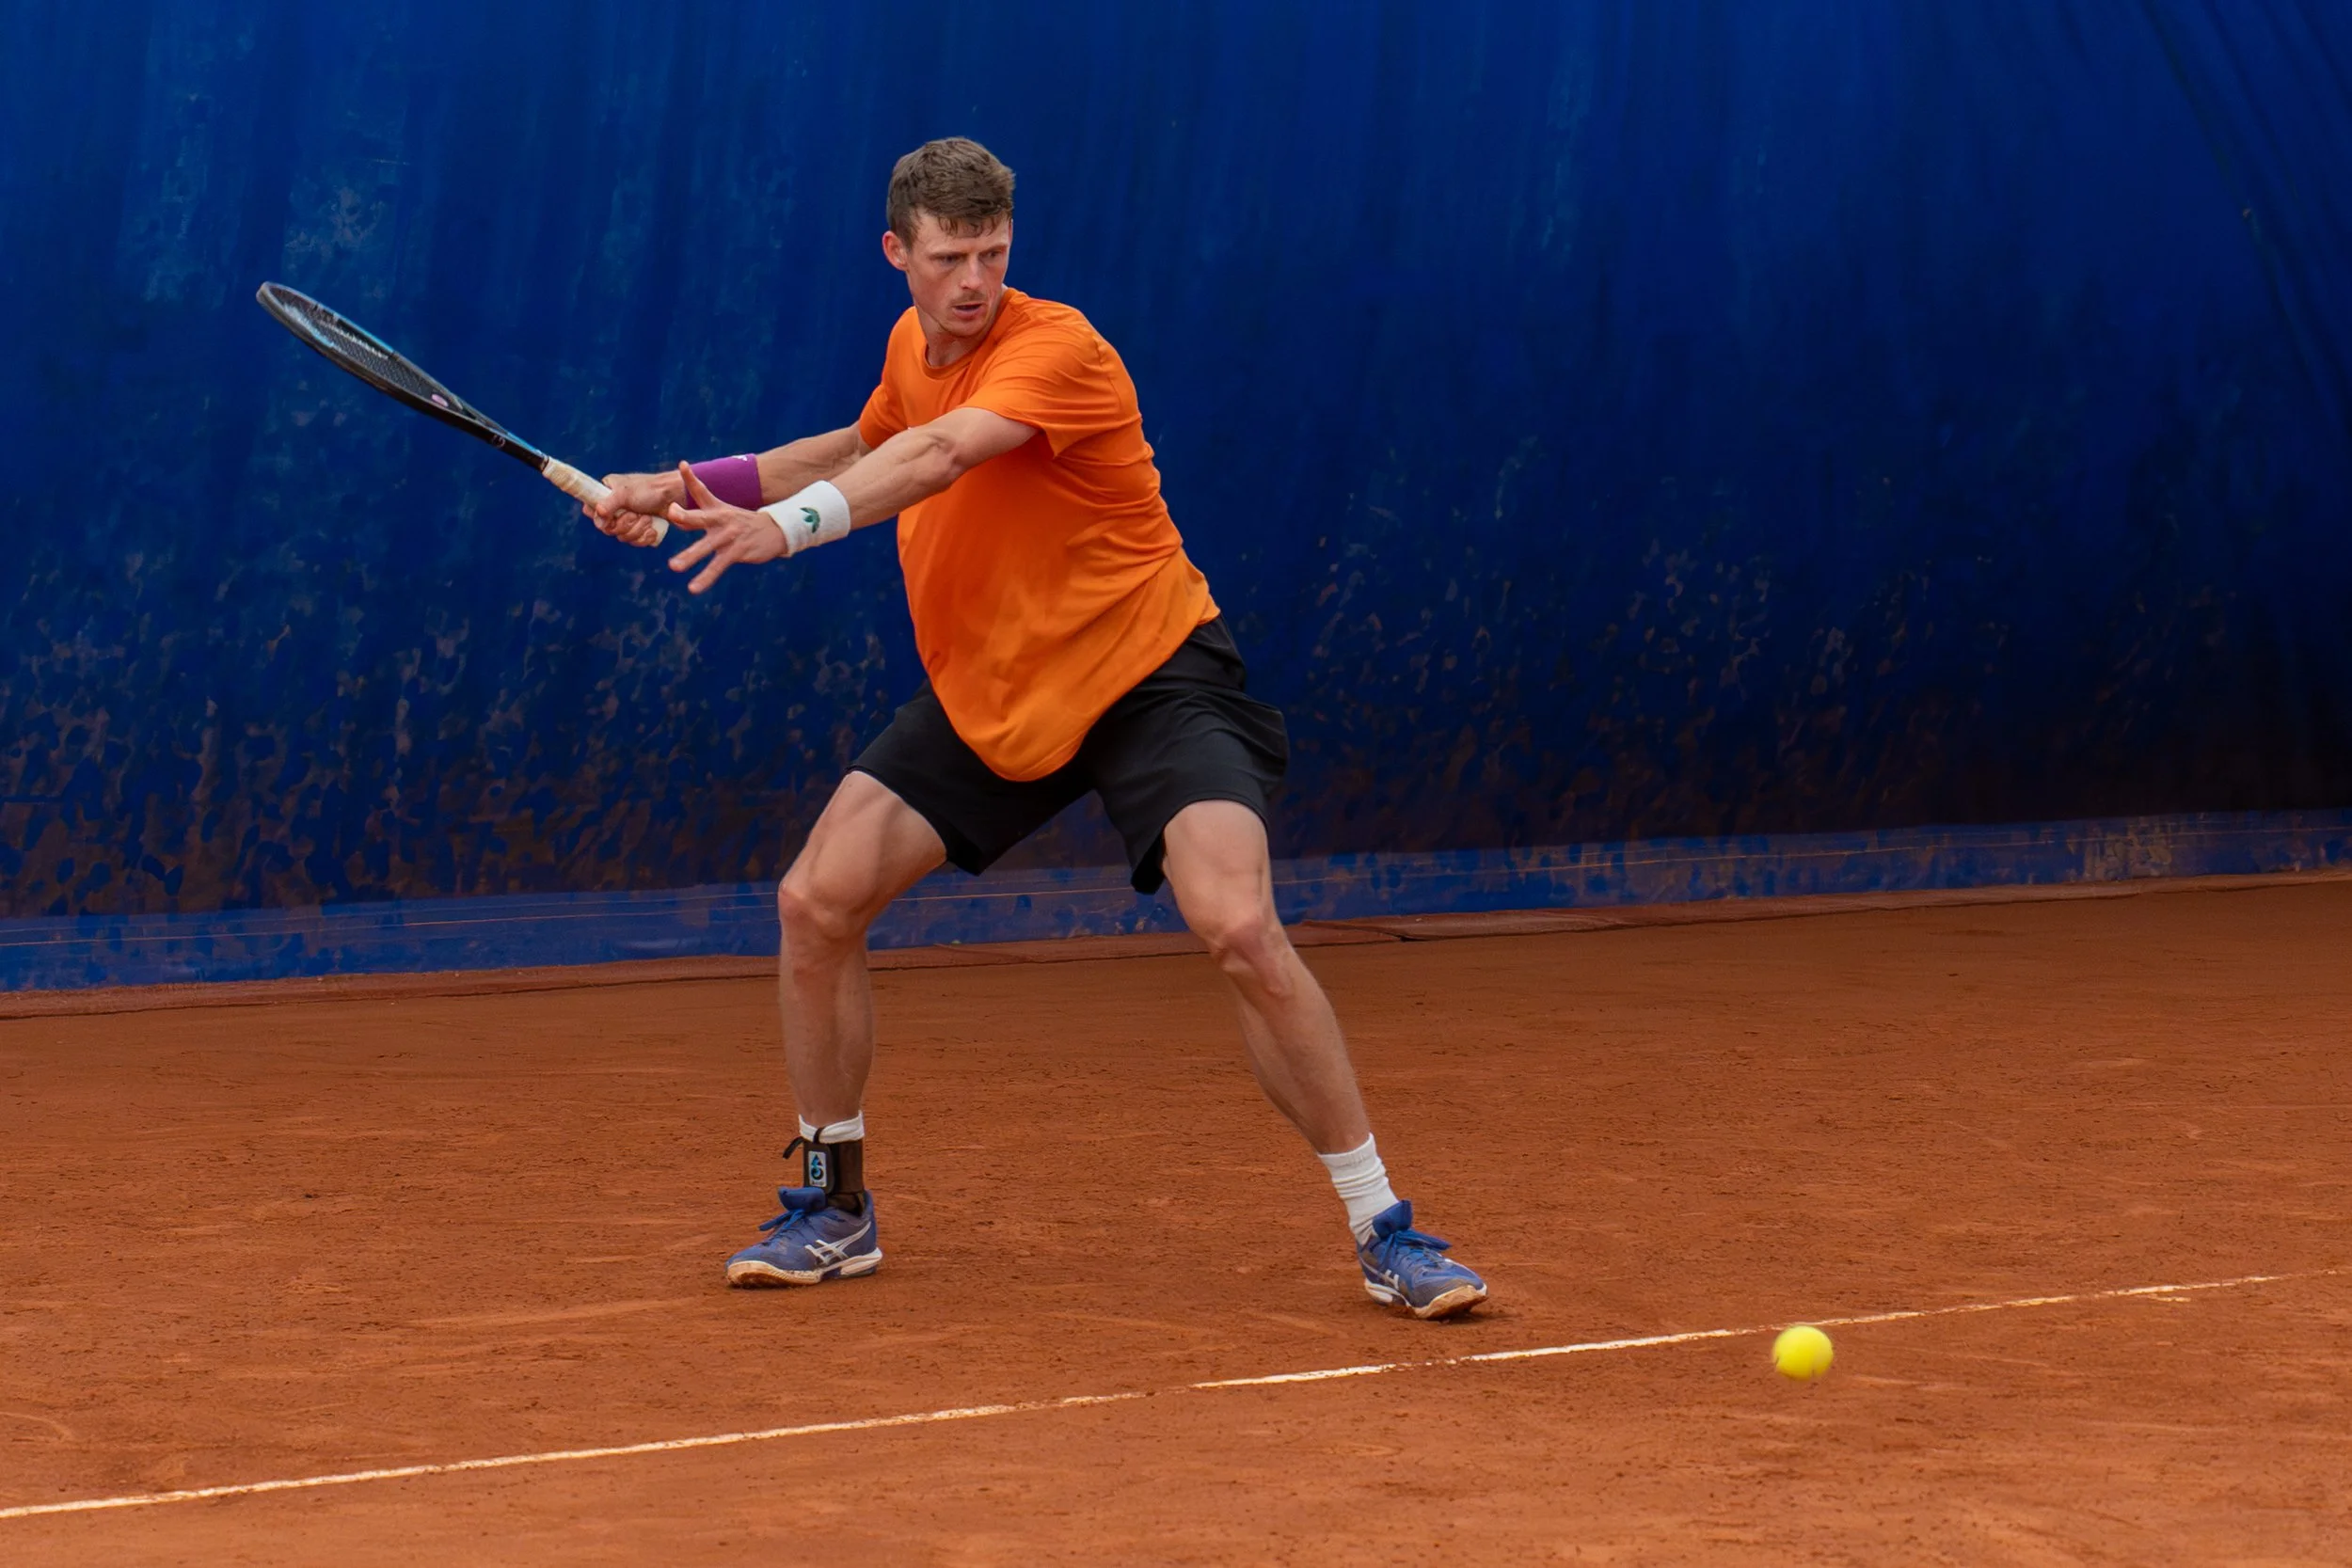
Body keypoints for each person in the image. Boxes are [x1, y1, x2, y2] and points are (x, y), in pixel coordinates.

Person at [589, 137, 1486, 1320]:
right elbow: (866, 442)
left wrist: (793, 528)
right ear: (896, 253)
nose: (974, 280)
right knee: (815, 901)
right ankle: (833, 1204)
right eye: (950, 256)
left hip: (1148, 671)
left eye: (993, 253)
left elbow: (940, 453)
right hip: (997, 688)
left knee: (1236, 923)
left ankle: (1386, 1227)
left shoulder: (1057, 347)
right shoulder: (914, 345)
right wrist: (686, 480)